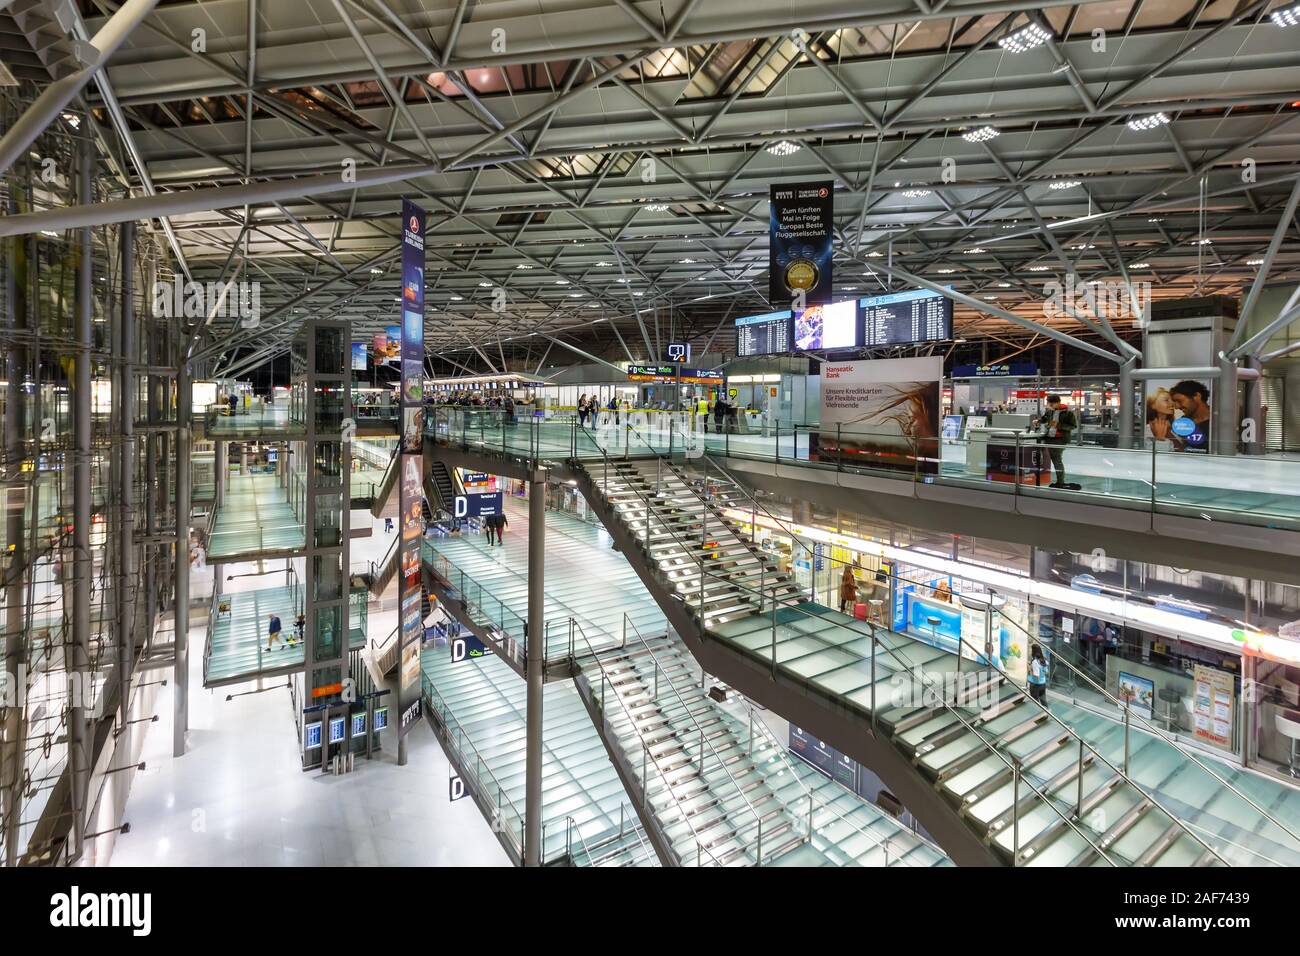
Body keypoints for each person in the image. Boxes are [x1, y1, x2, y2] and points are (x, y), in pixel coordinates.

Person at [1039, 394, 1076, 488]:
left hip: (1059, 439)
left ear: (1058, 402)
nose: (1050, 406)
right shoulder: (1050, 411)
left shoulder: (1068, 413)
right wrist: (1038, 421)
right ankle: (1041, 478)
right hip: (1048, 437)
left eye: (1052, 404)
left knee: (1056, 460)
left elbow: (1073, 426)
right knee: (1043, 458)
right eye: (1049, 404)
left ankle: (1060, 482)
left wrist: (1058, 425)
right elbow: (1044, 419)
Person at [1168, 379, 1212, 452]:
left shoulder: (1217, 422)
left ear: (1197, 396)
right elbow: (1182, 450)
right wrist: (1168, 434)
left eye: (1179, 401)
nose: (1177, 407)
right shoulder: (1184, 421)